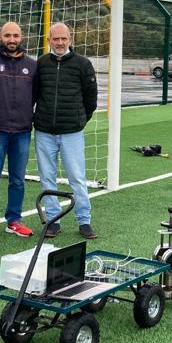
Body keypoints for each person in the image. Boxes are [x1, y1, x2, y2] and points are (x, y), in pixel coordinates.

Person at [33, 22, 99, 239]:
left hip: (71, 132)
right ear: (49, 40)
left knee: (77, 177)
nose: (60, 43)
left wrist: (79, 120)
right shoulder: (41, 64)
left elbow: (91, 99)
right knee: (47, 177)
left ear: (70, 39)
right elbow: (33, 95)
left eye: (64, 39)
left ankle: (84, 220)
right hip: (44, 131)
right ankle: (53, 220)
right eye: (55, 39)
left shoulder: (82, 64)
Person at [0, 21, 36, 240]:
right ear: (1, 37)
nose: (12, 40)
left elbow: (35, 96)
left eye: (16, 36)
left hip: (21, 131)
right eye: (8, 35)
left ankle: (14, 220)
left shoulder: (32, 65)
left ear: (21, 37)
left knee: (18, 179)